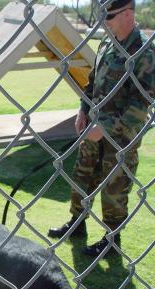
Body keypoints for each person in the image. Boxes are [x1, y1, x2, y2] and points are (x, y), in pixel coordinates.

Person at [47, 0, 155, 257]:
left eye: (110, 16)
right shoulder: (106, 44)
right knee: (82, 175)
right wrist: (82, 110)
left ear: (128, 13)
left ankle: (112, 239)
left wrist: (105, 129)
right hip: (92, 130)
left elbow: (141, 104)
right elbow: (92, 84)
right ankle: (77, 223)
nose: (105, 22)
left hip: (120, 139)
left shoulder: (145, 53)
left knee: (114, 187)